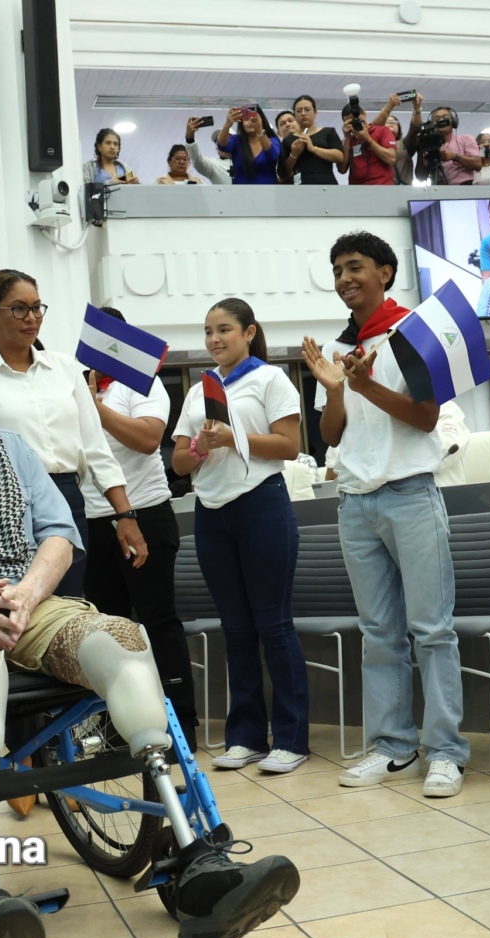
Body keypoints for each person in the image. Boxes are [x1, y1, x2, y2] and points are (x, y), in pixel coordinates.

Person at [0, 314, 299, 938]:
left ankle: (197, 861)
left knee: (126, 639)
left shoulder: (8, 446)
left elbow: (58, 534)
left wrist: (25, 592)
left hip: (22, 601)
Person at [300, 232, 469, 797]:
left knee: (432, 629)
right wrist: (336, 390)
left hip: (411, 492)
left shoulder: (413, 332)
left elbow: (424, 419)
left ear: (386, 272)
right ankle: (393, 747)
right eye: (337, 271)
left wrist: (365, 383)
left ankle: (445, 750)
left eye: (355, 268)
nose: (346, 279)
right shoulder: (336, 344)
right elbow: (330, 435)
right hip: (355, 500)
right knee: (378, 633)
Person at [170, 298, 309, 774]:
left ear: (249, 332)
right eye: (208, 331)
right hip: (212, 512)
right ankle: (245, 736)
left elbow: (289, 446)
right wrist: (199, 447)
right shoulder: (197, 391)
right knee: (236, 629)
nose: (214, 339)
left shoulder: (270, 379)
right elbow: (179, 464)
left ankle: (290, 739)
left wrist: (233, 438)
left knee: (274, 625)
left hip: (261, 505)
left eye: (224, 329)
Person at [0, 269, 147, 599]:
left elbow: (95, 449)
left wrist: (125, 515)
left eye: (37, 307)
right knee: (16, 606)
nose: (31, 318)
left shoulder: (65, 369)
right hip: (4, 505)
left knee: (69, 604)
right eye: (19, 308)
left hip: (66, 498)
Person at [83, 307, 199, 750]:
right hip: (94, 519)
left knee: (157, 620)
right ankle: (115, 725)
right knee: (105, 628)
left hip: (145, 513)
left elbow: (149, 439)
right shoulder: (80, 384)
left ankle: (180, 725)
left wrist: (95, 410)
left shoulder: (143, 383)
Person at [279, 95, 343, 185]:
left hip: (326, 184)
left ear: (315, 113)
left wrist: (313, 149)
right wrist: (294, 154)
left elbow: (339, 157)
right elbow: (282, 173)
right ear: (295, 116)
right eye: (299, 111)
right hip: (300, 186)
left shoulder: (328, 132)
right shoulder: (288, 140)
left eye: (307, 109)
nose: (303, 113)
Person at [414, 107, 482, 185]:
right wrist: (420, 150)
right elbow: (421, 177)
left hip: (464, 190)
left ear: (453, 121)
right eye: (437, 118)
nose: (441, 120)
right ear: (432, 124)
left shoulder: (466, 139)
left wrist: (455, 156)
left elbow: (478, 165)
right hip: (439, 191)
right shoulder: (428, 145)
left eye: (445, 117)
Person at [217, 106, 280, 185]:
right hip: (241, 194)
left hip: (268, 193)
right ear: (241, 123)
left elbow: (273, 154)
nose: (251, 121)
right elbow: (222, 145)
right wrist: (227, 125)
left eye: (255, 119)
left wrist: (260, 131)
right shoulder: (236, 140)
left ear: (263, 121)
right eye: (246, 119)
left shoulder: (272, 140)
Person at [372, 92, 425, 185]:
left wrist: (417, 107)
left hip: (403, 190)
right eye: (387, 121)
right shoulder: (374, 143)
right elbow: (374, 127)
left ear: (399, 129)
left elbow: (415, 129)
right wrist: (389, 106)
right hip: (380, 189)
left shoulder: (404, 144)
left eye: (395, 121)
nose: (391, 122)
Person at [338, 103, 396, 186]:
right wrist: (347, 138)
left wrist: (368, 139)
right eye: (350, 123)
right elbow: (342, 170)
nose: (355, 124)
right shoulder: (347, 141)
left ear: (364, 114)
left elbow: (391, 159)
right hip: (357, 191)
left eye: (356, 120)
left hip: (382, 187)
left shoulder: (382, 131)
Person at [183, 116, 232, 185]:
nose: (222, 143)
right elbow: (198, 161)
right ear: (216, 149)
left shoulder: (249, 161)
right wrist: (190, 138)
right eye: (218, 142)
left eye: (226, 139)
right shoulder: (214, 165)